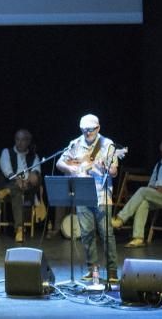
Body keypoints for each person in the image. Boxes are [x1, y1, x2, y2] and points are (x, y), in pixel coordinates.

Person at [56, 114, 121, 284]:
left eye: (90, 131)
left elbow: (114, 171)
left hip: (102, 195)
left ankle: (112, 271)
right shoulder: (75, 143)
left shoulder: (107, 145)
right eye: (84, 131)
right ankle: (92, 269)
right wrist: (72, 170)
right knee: (86, 234)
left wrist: (105, 165)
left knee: (106, 233)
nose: (87, 134)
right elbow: (59, 163)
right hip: (82, 193)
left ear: (98, 128)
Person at [112, 138, 162, 247]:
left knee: (142, 191)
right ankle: (138, 238)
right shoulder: (159, 164)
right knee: (143, 202)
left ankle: (121, 219)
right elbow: (151, 184)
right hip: (158, 195)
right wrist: (155, 188)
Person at [0, 129, 42, 243]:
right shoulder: (6, 152)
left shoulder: (34, 156)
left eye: (23, 140)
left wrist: (31, 177)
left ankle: (7, 191)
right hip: (12, 183)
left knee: (35, 179)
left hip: (27, 188)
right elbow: (6, 169)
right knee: (16, 189)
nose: (19, 142)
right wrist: (17, 179)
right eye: (17, 139)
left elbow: (36, 171)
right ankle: (19, 229)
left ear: (28, 142)